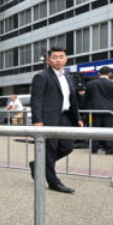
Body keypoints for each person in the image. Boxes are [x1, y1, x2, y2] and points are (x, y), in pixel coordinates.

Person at [29, 47, 83, 194]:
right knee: (50, 149)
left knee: (67, 147)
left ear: (66, 59)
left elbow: (72, 100)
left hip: (65, 116)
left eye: (61, 56)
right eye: (54, 57)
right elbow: (36, 100)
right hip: (48, 118)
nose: (58, 59)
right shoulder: (42, 76)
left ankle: (37, 163)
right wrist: (37, 120)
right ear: (48, 60)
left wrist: (77, 118)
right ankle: (53, 182)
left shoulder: (67, 75)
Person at [83, 66, 113, 155]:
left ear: (99, 73)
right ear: (110, 74)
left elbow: (87, 98)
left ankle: (94, 149)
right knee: (109, 130)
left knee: (95, 130)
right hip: (110, 111)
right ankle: (109, 149)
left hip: (95, 110)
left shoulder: (90, 84)